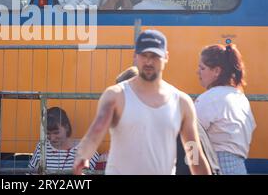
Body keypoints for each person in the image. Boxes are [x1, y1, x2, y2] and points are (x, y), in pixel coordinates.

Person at [73, 30, 212, 175]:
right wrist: (83, 155)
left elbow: (193, 153)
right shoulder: (116, 96)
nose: (149, 62)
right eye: (144, 55)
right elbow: (95, 133)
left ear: (166, 57)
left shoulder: (182, 102)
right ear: (135, 57)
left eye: (155, 56)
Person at [195, 43, 256, 174]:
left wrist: (192, 165)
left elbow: (191, 136)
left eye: (202, 68)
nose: (198, 72)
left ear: (217, 71)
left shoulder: (209, 98)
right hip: (240, 168)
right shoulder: (240, 98)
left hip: (216, 166)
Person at [28, 107, 99, 173]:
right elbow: (30, 172)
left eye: (56, 133)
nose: (52, 138)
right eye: (48, 133)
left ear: (67, 127)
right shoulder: (42, 147)